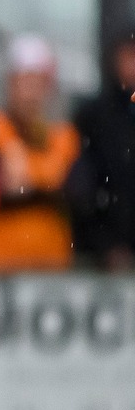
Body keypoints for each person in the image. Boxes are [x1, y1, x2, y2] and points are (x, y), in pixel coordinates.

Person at [0, 35, 80, 275]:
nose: (31, 93)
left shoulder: (64, 136)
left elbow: (77, 191)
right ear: (10, 84)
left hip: (49, 263)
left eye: (38, 83)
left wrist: (32, 182)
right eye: (24, 82)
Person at [66, 32, 135, 268]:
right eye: (129, 56)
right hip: (104, 255)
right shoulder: (94, 116)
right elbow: (82, 188)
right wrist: (104, 245)